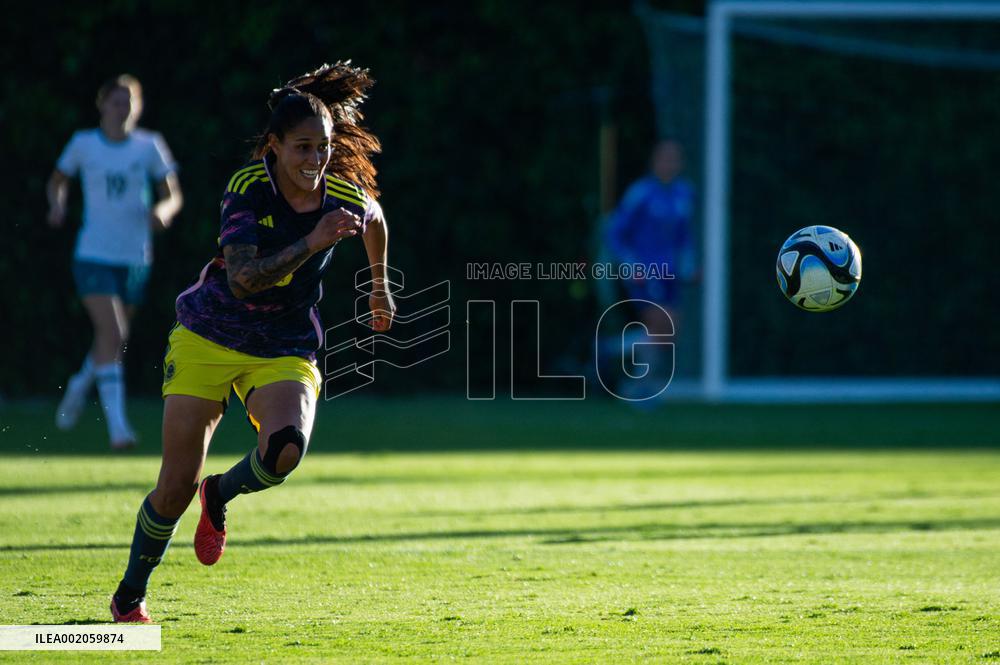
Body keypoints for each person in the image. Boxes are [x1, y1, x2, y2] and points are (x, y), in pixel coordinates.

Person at [109, 62, 396, 623]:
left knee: (286, 447)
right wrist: (313, 241)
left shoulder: (340, 193)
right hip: (208, 335)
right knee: (171, 490)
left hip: (285, 343)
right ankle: (130, 595)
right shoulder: (246, 189)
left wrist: (379, 287)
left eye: (323, 148)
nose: (314, 162)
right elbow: (243, 278)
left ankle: (217, 495)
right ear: (275, 145)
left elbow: (376, 217)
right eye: (302, 149)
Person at [47, 74, 183, 449]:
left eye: (129, 102)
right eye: (116, 101)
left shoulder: (149, 145)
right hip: (93, 253)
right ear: (102, 104)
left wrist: (164, 211)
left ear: (137, 108)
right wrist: (57, 204)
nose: (122, 109)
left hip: (135, 256)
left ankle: (79, 383)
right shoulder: (84, 143)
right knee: (115, 333)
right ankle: (119, 430)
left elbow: (171, 194)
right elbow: (57, 180)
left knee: (112, 338)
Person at [604, 139, 697, 396]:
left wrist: (689, 267)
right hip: (645, 273)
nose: (669, 163)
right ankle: (638, 387)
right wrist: (631, 265)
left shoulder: (684, 193)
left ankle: (610, 349)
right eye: (664, 158)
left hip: (671, 274)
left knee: (669, 333)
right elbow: (614, 233)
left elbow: (683, 236)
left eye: (674, 159)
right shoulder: (640, 193)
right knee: (660, 326)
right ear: (654, 161)